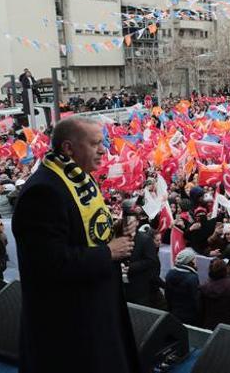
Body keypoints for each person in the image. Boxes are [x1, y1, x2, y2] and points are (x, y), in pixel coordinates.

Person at [12, 115, 139, 373]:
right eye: (95, 143)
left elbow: (79, 234)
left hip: (95, 313)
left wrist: (114, 233)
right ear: (68, 148)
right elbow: (49, 263)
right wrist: (109, 252)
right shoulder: (43, 191)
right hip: (68, 327)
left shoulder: (78, 179)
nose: (104, 150)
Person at [199, 258, 230, 330]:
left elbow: (201, 309)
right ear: (225, 270)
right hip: (229, 326)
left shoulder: (204, 288)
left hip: (210, 325)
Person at [123, 225, 161, 306]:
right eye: (157, 240)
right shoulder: (147, 253)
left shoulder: (153, 251)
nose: (160, 242)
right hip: (145, 290)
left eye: (160, 240)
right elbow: (153, 276)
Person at [165, 248, 200, 326]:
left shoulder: (170, 273)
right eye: (194, 259)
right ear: (189, 261)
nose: (195, 261)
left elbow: (167, 295)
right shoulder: (192, 278)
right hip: (189, 315)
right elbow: (195, 299)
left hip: (174, 312)